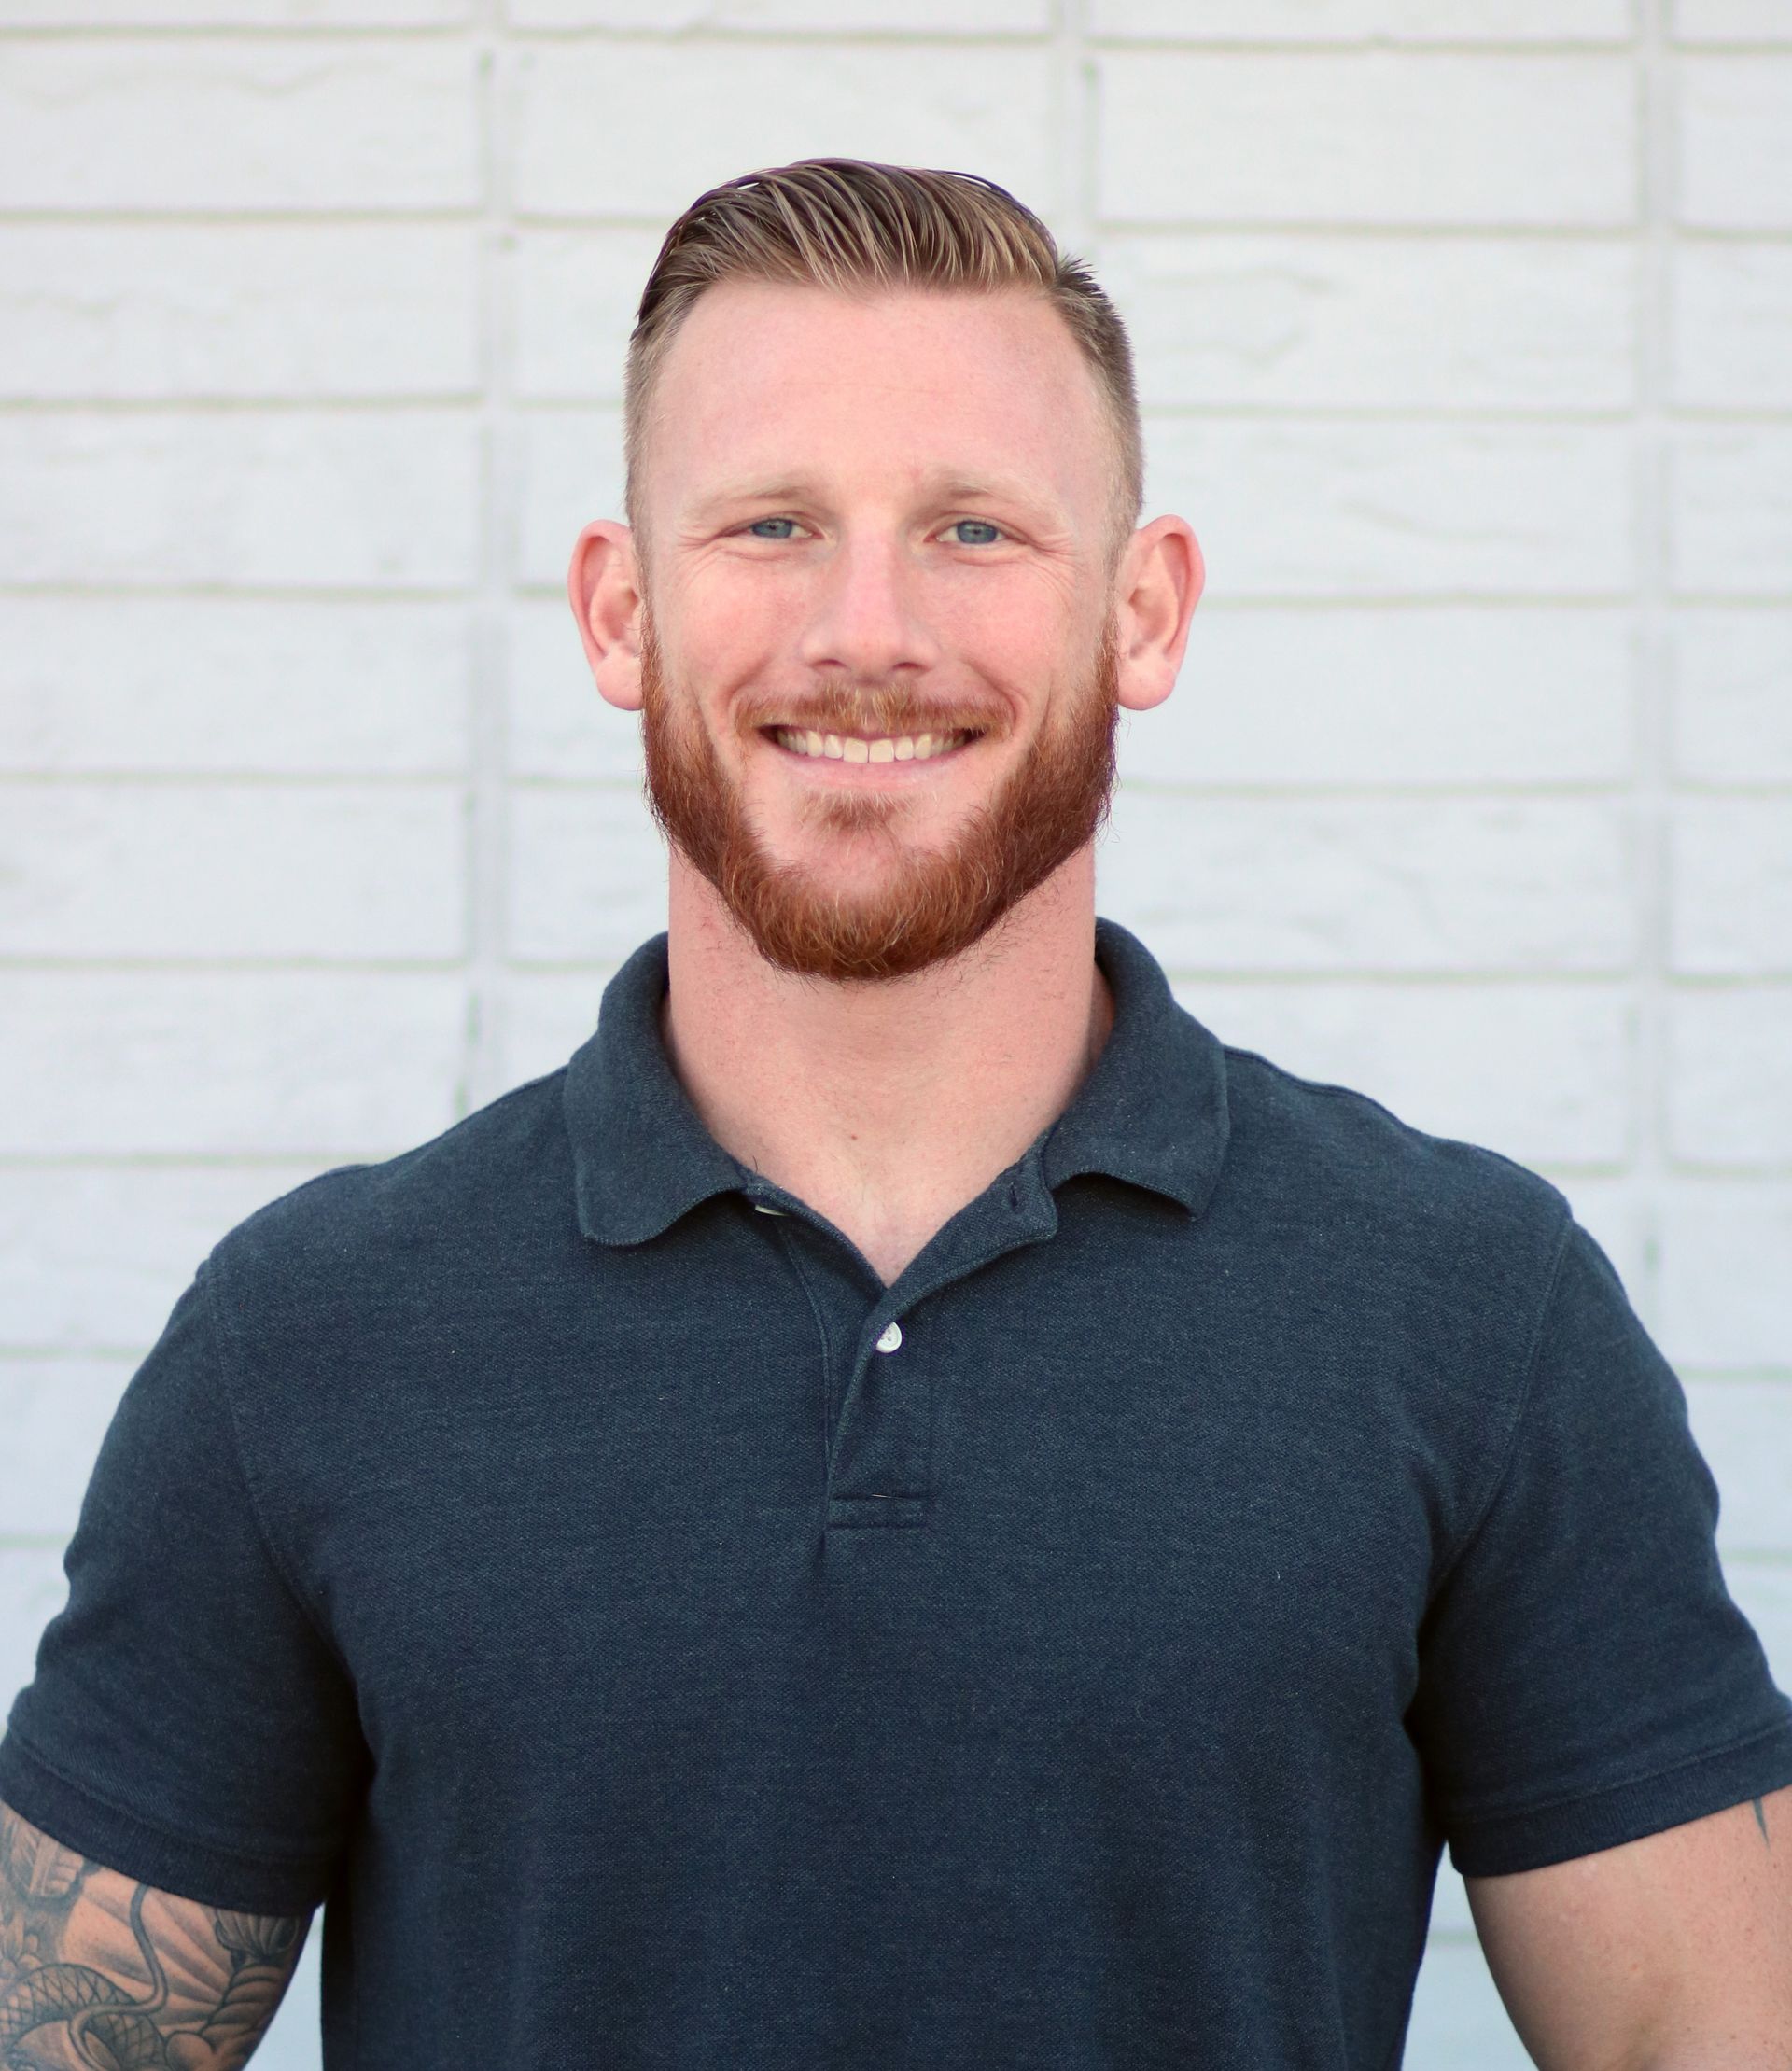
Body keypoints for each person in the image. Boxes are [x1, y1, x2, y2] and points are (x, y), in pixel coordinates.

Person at [2, 158, 1789, 2071]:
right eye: (773, 523)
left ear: (1144, 615)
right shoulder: (310, 1338)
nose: (868, 629)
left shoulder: (1465, 1309)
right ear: (621, 614)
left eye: (973, 530)